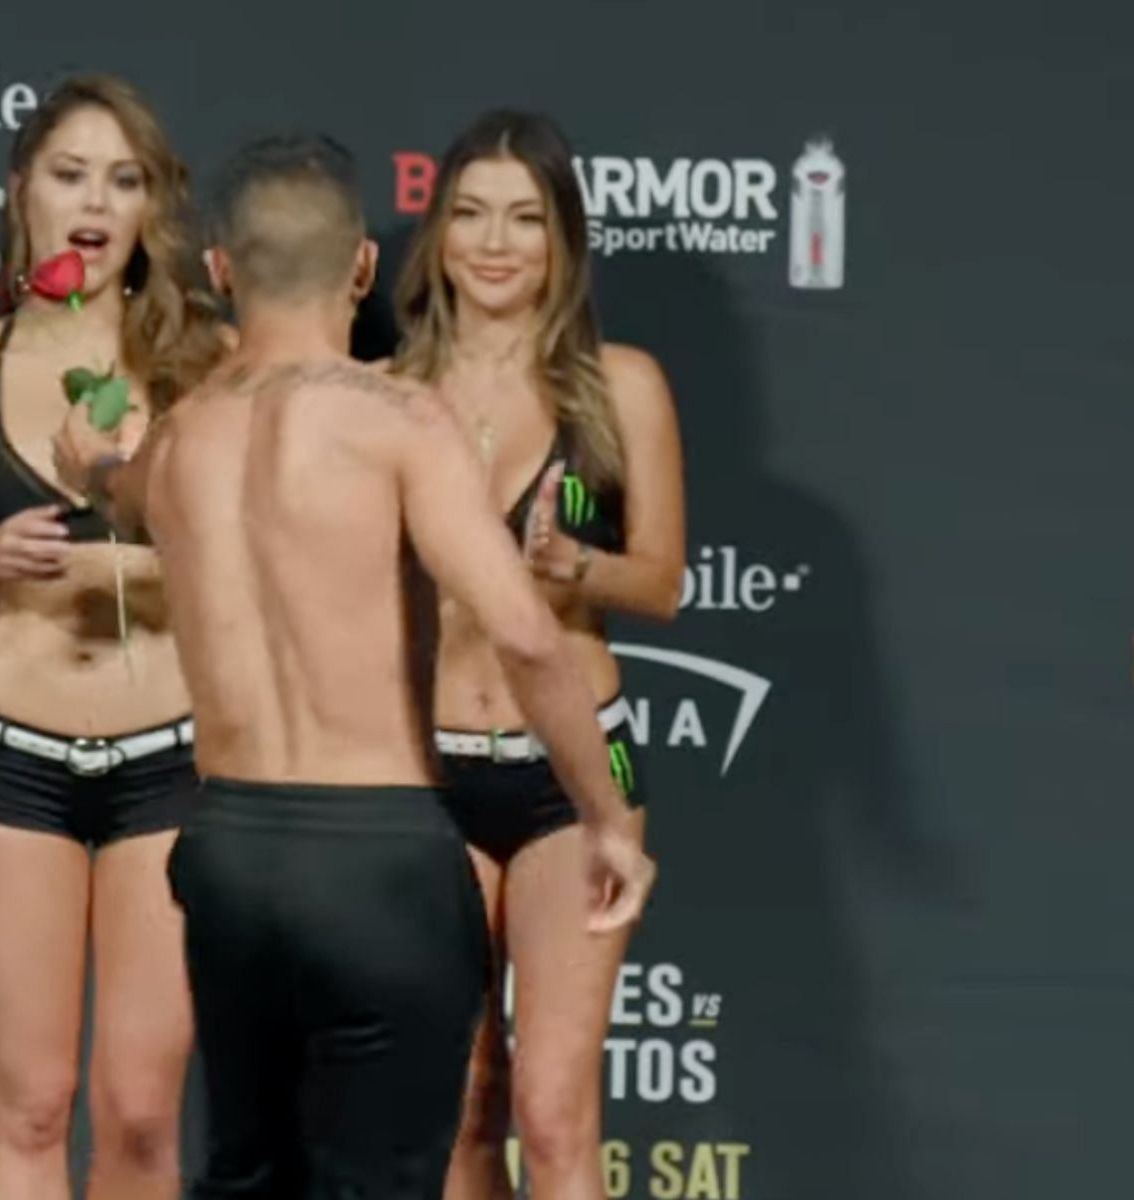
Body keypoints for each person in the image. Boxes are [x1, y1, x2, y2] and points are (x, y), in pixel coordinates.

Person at [54, 133, 653, 1200]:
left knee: (249, 1173)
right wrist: (610, 817)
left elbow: (120, 488)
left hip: (230, 848)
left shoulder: (184, 438)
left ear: (223, 270)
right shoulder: (401, 421)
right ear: (363, 270)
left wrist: (91, 463)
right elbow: (524, 633)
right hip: (379, 856)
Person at [0, 73, 225, 1200]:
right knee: (28, 1107)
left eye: (123, 181)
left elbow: (264, 569)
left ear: (151, 208)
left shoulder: (204, 368)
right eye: (71, 174)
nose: (95, 202)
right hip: (14, 767)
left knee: (137, 1115)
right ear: (22, 189)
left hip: (166, 767)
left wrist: (136, 528)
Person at [390, 110, 686, 1200]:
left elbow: (659, 579)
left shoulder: (620, 384)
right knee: (463, 1108)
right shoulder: (383, 395)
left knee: (559, 1118)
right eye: (470, 214)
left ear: (563, 238)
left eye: (524, 217)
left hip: (586, 767)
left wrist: (578, 572)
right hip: (427, 775)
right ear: (438, 233)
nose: (495, 243)